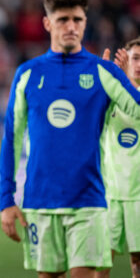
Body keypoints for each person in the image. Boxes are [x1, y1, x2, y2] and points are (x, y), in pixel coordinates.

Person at [0, 0, 140, 278]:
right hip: (40, 202)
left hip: (88, 201)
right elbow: (11, 138)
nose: (71, 27)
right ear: (48, 23)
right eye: (63, 19)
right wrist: (6, 200)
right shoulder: (27, 74)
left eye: (77, 19)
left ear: (85, 22)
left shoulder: (103, 72)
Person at [97, 38, 140, 278]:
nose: (138, 64)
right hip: (110, 194)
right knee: (102, 263)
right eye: (135, 58)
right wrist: (104, 83)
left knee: (137, 263)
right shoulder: (113, 96)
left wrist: (120, 79)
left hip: (139, 195)